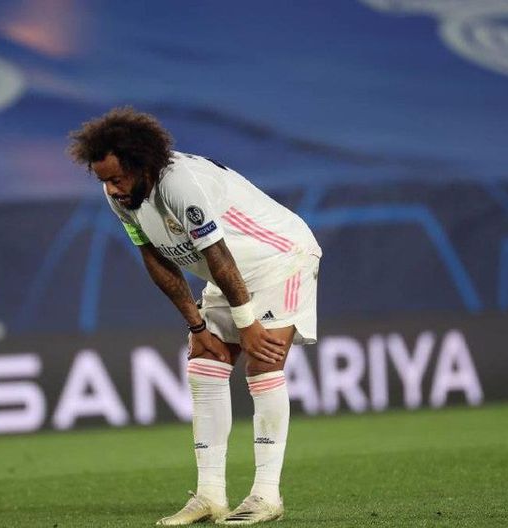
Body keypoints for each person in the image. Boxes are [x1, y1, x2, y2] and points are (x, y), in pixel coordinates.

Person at [68, 107, 322, 526]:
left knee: (263, 362)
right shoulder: (122, 198)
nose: (112, 189)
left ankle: (265, 495)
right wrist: (197, 325)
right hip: (230, 274)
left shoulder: (180, 183)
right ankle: (210, 496)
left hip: (280, 258)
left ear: (142, 164)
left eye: (118, 178)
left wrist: (247, 324)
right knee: (205, 361)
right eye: (103, 181)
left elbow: (216, 253)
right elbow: (154, 257)